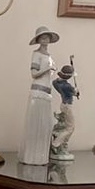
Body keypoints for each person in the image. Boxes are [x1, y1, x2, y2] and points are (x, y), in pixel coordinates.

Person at [20, 26, 60, 165]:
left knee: (44, 125)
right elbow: (34, 73)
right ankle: (31, 156)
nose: (45, 40)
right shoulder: (36, 54)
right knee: (35, 124)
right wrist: (47, 68)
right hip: (38, 92)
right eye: (43, 38)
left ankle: (41, 156)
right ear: (39, 40)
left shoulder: (49, 56)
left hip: (46, 92)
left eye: (47, 38)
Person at [49, 61, 79, 160]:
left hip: (63, 105)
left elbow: (55, 82)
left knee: (67, 126)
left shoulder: (56, 82)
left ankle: (62, 143)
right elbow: (75, 93)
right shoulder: (67, 86)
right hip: (67, 106)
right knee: (70, 127)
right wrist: (76, 91)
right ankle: (56, 144)